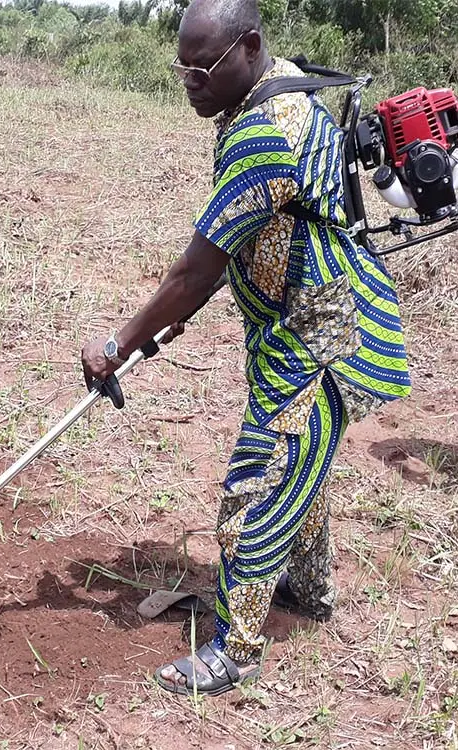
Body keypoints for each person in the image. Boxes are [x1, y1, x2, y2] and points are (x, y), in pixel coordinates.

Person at [80, 0, 411, 697]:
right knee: (302, 469)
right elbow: (242, 239)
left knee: (255, 486)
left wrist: (120, 342)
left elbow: (196, 267)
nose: (191, 82)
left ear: (250, 47)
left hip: (319, 337)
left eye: (204, 68)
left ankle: (238, 648)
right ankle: (308, 594)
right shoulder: (281, 86)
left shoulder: (267, 133)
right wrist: (177, 317)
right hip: (305, 325)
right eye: (183, 69)